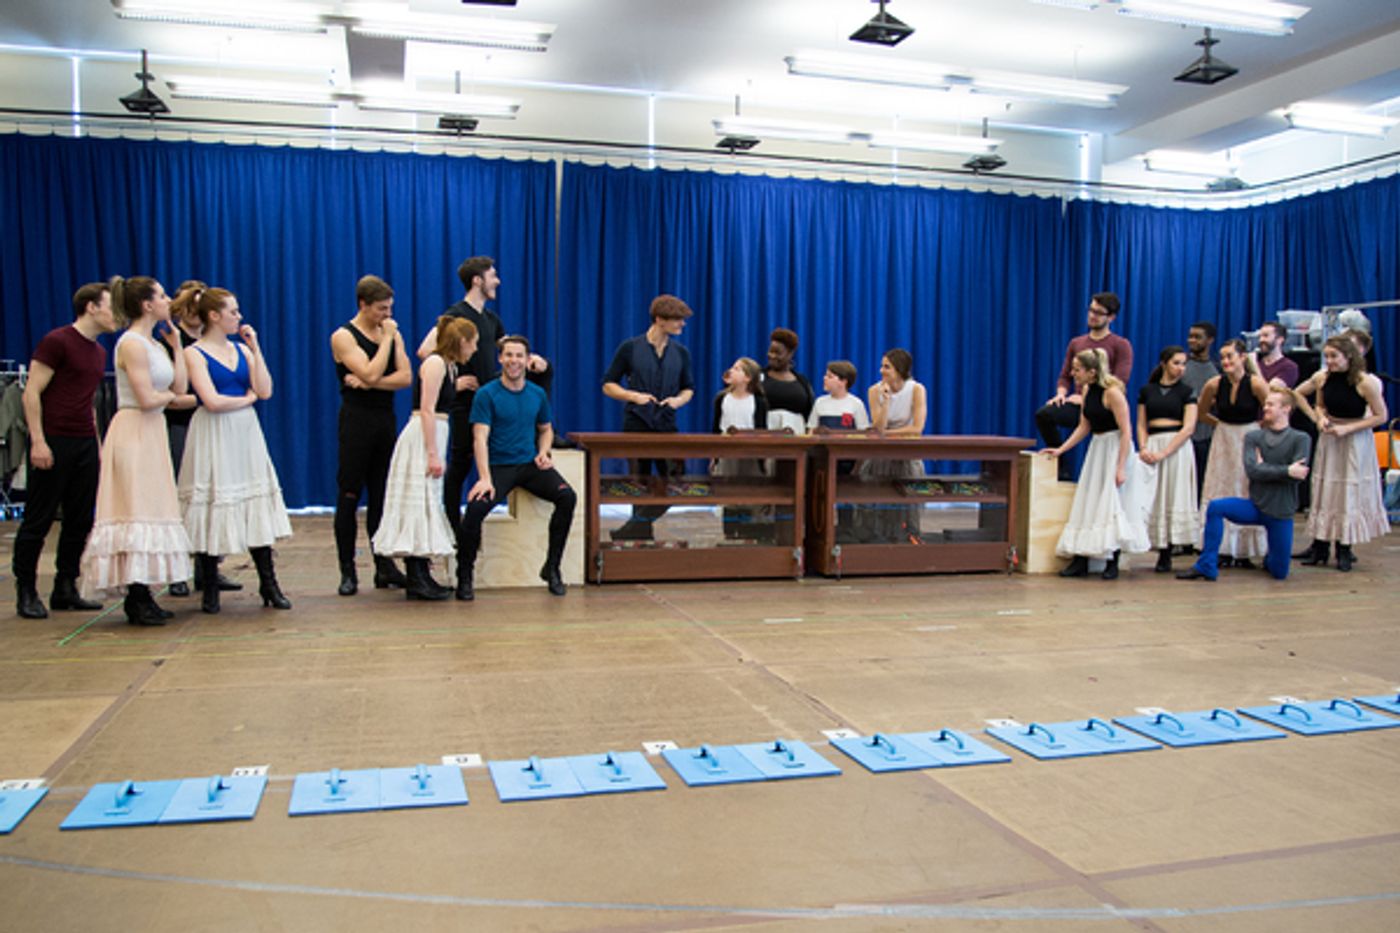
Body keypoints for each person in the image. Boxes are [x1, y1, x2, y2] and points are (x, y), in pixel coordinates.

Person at [78, 276, 193, 625]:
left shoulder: (154, 344)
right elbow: (148, 398)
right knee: (135, 507)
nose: (165, 301)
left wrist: (176, 347)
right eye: (160, 296)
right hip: (134, 431)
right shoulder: (130, 344)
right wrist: (171, 398)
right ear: (146, 305)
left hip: (153, 430)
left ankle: (144, 591)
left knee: (154, 507)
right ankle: (136, 594)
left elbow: (180, 387)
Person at [179, 288, 293, 614]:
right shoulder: (195, 353)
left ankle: (269, 583)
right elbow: (211, 400)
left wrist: (255, 348)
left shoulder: (242, 350)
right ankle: (210, 586)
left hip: (244, 432)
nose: (238, 317)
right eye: (233, 312)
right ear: (214, 316)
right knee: (214, 499)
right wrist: (245, 400)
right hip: (214, 432)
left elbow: (265, 389)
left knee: (253, 501)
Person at [419, 256, 551, 530]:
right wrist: (454, 381)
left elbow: (508, 348)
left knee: (544, 371)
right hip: (464, 404)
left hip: (489, 399)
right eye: (493, 275)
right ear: (477, 281)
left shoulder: (491, 319)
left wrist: (530, 358)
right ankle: (453, 527)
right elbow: (425, 351)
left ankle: (545, 433)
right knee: (461, 463)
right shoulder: (455, 314)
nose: (498, 281)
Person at [12, 282, 118, 619]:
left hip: (84, 441)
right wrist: (39, 440)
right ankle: (26, 590)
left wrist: (97, 445)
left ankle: (65, 586)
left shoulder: (99, 352)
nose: (116, 314)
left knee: (80, 518)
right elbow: (32, 392)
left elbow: (87, 401)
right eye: (111, 306)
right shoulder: (57, 342)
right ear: (91, 307)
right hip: (54, 439)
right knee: (39, 519)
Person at [456, 335, 576, 601]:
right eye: (508, 355)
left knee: (567, 497)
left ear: (527, 359)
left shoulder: (537, 394)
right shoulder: (487, 394)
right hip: (499, 468)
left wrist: (544, 452)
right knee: (474, 512)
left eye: (519, 356)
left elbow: (545, 430)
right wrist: (484, 478)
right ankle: (464, 576)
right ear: (500, 358)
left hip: (529, 464)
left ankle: (552, 568)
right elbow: (480, 438)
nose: (513, 361)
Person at [372, 316, 479, 600]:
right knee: (418, 502)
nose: (475, 349)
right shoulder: (434, 363)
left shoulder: (450, 366)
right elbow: (427, 408)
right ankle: (417, 577)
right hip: (423, 435)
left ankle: (421, 574)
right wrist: (432, 452)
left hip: (437, 432)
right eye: (473, 342)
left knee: (427, 503)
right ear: (462, 342)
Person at [330, 275, 411, 596]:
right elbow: (372, 371)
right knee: (349, 493)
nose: (387, 316)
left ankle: (384, 565)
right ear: (363, 305)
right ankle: (347, 570)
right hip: (356, 420)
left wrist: (370, 381)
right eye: (381, 309)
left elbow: (405, 377)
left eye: (390, 309)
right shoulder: (343, 336)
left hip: (384, 419)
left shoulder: (390, 329)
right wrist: (387, 343)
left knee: (382, 494)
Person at [1178, 387, 1310, 581]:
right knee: (1215, 507)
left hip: (1281, 512)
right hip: (1256, 506)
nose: (1265, 407)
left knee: (1279, 573)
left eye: (1271, 404)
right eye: (1265, 404)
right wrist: (1285, 470)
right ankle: (1206, 564)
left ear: (1286, 409)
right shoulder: (1254, 437)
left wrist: (1268, 468)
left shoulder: (1300, 438)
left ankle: (1270, 559)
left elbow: (1298, 475)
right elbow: (1253, 471)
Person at [162, 280, 240, 599]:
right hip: (181, 423)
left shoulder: (218, 344)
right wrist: (210, 398)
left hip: (213, 422)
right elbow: (173, 393)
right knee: (185, 497)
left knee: (213, 496)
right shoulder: (174, 342)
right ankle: (178, 568)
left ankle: (207, 568)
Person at [1044, 348, 1150, 580]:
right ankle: (1081, 558)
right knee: (1090, 500)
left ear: (1092, 372)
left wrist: (1121, 467)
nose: (1073, 374)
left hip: (1115, 449)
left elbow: (1126, 432)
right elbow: (1085, 426)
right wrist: (1061, 449)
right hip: (1098, 449)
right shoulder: (1088, 390)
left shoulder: (1113, 394)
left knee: (1113, 502)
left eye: (1077, 370)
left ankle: (1112, 559)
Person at [601, 294, 695, 541]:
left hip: (667, 424)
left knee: (675, 485)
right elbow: (608, 384)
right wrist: (632, 396)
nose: (682, 325)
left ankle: (631, 529)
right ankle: (640, 537)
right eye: (677, 320)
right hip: (636, 423)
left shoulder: (681, 353)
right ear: (659, 320)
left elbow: (688, 389)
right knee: (640, 483)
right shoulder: (630, 348)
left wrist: (678, 400)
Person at [1291, 336, 1390, 571]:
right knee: (1326, 490)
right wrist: (1320, 418)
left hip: (1354, 439)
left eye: (1334, 356)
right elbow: (1313, 401)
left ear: (1349, 357)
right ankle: (1320, 546)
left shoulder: (1365, 382)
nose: (1329, 361)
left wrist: (1348, 429)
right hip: (1330, 437)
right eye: (1327, 356)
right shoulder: (1323, 378)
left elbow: (1381, 416)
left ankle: (1344, 548)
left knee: (1348, 491)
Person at [1035, 293, 1133, 481]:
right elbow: (1065, 376)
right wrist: (1061, 394)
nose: (1092, 315)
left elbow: (1121, 379)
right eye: (1091, 310)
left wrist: (1090, 397)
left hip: (1105, 404)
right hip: (1083, 400)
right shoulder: (1077, 343)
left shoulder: (1121, 345)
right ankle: (1061, 465)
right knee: (1045, 414)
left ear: (1111, 317)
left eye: (1098, 312)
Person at [1195, 338, 1271, 568]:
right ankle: (1221, 548)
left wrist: (1257, 430)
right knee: (1221, 486)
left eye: (1230, 356)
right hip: (1223, 439)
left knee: (1244, 486)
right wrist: (1220, 426)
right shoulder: (1214, 384)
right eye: (1223, 357)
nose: (1226, 361)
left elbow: (1272, 410)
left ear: (1242, 357)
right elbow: (1202, 413)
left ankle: (1244, 550)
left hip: (1248, 437)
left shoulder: (1256, 383)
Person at [855, 348, 928, 544]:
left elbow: (917, 428)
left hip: (906, 452)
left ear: (900, 369)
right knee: (880, 499)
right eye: (882, 366)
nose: (881, 370)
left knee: (908, 499)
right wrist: (885, 402)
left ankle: (910, 537)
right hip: (881, 453)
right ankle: (879, 540)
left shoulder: (916, 390)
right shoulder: (873, 391)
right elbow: (878, 426)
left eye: (886, 366)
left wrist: (885, 434)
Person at [1137, 346, 1199, 573]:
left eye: (1184, 364)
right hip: (1153, 443)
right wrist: (1143, 447)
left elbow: (1189, 426)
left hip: (1177, 447)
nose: (1181, 368)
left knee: (1173, 493)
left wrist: (1166, 452)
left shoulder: (1187, 392)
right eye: (1176, 363)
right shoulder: (1147, 390)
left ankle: (1169, 551)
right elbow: (1142, 423)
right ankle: (1156, 545)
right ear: (1164, 363)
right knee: (1153, 495)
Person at [711, 357, 769, 542]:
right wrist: (714, 455)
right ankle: (729, 533)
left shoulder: (759, 401)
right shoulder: (722, 398)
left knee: (748, 492)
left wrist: (762, 459)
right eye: (733, 367)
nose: (732, 370)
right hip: (727, 453)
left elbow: (762, 429)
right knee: (729, 494)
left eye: (738, 369)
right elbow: (715, 428)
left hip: (750, 453)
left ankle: (748, 532)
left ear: (748, 378)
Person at [1182, 321, 1220, 501]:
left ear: (1210, 340)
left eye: (1198, 337)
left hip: (1207, 435)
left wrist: (1206, 401)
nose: (1192, 340)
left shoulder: (1217, 369)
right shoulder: (1181, 366)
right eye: (1190, 336)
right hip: (1182, 435)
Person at [761, 328, 813, 431]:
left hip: (796, 436)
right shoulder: (758, 377)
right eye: (770, 351)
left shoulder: (802, 382)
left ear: (790, 353)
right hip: (765, 435)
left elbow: (809, 415)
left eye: (777, 353)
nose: (772, 356)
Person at [808, 360, 870, 433]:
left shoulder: (856, 404)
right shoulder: (819, 402)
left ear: (843, 381)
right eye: (825, 375)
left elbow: (863, 432)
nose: (824, 378)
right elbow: (811, 430)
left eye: (830, 376)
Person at [1253, 320, 1299, 388]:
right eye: (1260, 336)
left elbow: (1269, 394)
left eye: (1266, 336)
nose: (1261, 340)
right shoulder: (1258, 363)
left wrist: (1254, 365)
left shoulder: (1289, 367)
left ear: (1280, 340)